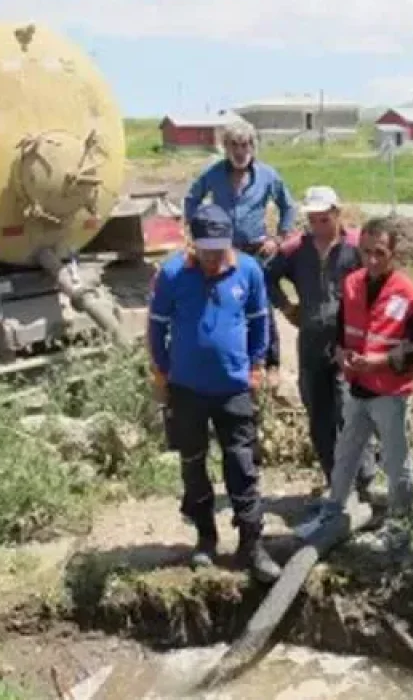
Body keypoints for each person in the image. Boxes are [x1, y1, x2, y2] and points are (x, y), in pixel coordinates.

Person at [148, 203, 283, 584]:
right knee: (193, 464)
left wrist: (257, 367)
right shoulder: (173, 274)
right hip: (187, 389)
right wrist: (162, 370)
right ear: (192, 243)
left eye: (218, 251)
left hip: (234, 388)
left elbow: (260, 322)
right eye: (205, 252)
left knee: (242, 464)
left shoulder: (249, 271)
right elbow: (156, 327)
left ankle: (252, 545)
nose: (212, 259)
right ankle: (205, 539)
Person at [308, 217, 413, 556]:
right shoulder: (351, 284)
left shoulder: (408, 293)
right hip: (358, 385)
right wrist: (341, 353)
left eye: (380, 253)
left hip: (390, 390)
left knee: (395, 459)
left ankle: (399, 522)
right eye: (366, 252)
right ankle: (332, 511)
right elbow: (342, 330)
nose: (372, 260)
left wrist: (381, 361)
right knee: (346, 450)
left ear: (393, 253)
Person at [266, 185, 376, 501]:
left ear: (337, 215)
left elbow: (380, 282)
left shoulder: (356, 248)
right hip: (312, 339)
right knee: (319, 413)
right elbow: (265, 276)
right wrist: (286, 307)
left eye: (323, 219)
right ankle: (336, 483)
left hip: (349, 341)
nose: (318, 226)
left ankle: (365, 483)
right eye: (312, 220)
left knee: (351, 410)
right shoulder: (296, 250)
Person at [183, 120, 297, 377]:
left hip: (257, 251)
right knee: (224, 301)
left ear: (253, 147)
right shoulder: (213, 174)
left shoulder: (267, 175)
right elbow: (192, 199)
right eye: (234, 145)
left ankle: (271, 363)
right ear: (225, 147)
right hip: (224, 251)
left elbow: (288, 206)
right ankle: (227, 359)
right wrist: (198, 233)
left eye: (245, 144)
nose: (240, 151)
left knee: (261, 305)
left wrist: (278, 239)